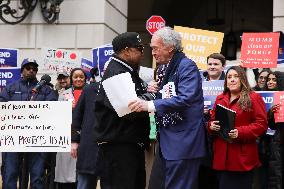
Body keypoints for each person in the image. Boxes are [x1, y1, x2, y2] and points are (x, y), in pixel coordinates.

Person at [129, 27, 207, 189]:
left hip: (183, 142)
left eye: (155, 48)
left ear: (170, 47)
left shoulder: (187, 66)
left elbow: (186, 98)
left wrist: (149, 104)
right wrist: (155, 93)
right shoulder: (167, 69)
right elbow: (169, 96)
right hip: (168, 141)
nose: (153, 53)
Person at [93, 32, 154, 189]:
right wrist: (152, 97)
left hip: (128, 146)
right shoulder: (116, 72)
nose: (143, 52)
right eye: (139, 48)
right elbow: (131, 109)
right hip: (119, 149)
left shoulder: (126, 70)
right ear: (127, 51)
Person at [0, 58, 58, 189]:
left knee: (37, 175)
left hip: (37, 139)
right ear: (22, 70)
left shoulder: (46, 90)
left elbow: (53, 109)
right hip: (13, 138)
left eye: (34, 69)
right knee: (10, 173)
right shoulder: (10, 88)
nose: (31, 70)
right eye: (28, 68)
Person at [207, 66, 268, 189]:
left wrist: (241, 132)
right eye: (229, 77)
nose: (232, 80)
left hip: (241, 159)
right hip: (221, 158)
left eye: (236, 76)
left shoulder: (254, 98)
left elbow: (262, 124)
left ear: (243, 79)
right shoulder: (220, 98)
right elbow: (212, 120)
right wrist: (211, 126)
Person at [55, 68, 87, 189]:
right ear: (71, 79)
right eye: (76, 77)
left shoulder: (90, 91)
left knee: (83, 176)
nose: (78, 79)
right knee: (67, 174)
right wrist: (66, 108)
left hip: (85, 136)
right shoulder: (63, 94)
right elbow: (58, 115)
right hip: (68, 136)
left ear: (85, 78)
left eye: (81, 77)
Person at [71, 70, 102, 189]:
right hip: (89, 144)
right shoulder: (89, 90)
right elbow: (77, 117)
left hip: (109, 147)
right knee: (85, 181)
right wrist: (74, 141)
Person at [264, 71, 284, 189]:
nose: (270, 82)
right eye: (269, 79)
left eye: (275, 80)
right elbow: (272, 126)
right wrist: (271, 113)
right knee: (276, 176)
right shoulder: (274, 99)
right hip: (278, 143)